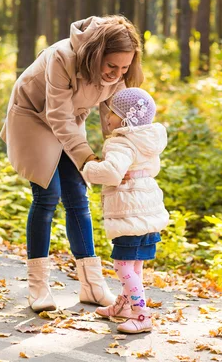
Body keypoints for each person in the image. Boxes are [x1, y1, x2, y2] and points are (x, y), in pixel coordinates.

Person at [0, 16, 144, 312]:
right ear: (95, 55)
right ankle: (38, 287)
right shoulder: (62, 57)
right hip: (33, 116)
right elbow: (57, 115)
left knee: (78, 196)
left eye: (124, 68)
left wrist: (116, 159)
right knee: (47, 194)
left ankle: (91, 285)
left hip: (67, 121)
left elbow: (112, 119)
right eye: (111, 66)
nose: (117, 74)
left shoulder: (117, 76)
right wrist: (87, 158)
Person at [81, 88, 169, 334]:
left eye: (112, 111)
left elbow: (110, 173)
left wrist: (88, 168)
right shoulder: (148, 139)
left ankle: (142, 315)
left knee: (122, 265)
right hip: (148, 210)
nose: (107, 116)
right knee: (135, 264)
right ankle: (124, 306)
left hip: (129, 211)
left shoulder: (121, 142)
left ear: (125, 118)